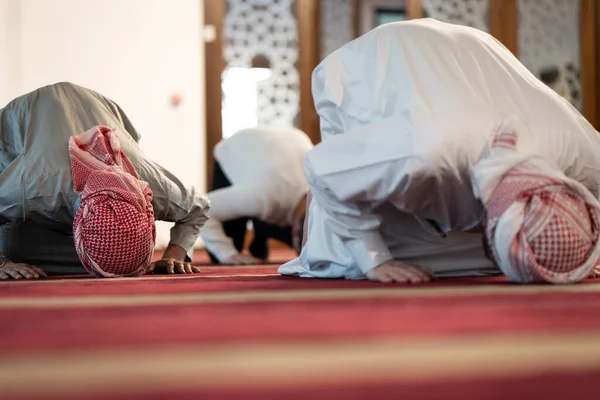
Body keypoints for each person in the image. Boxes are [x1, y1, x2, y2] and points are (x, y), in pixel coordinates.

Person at [279, 18, 600, 284]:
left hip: (475, 54)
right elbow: (323, 169)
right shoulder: (421, 151)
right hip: (373, 63)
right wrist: (373, 259)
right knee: (346, 259)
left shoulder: (582, 154)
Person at [0, 82, 209, 280]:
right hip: (17, 131)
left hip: (99, 107)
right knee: (14, 249)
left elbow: (198, 207)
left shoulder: (152, 184)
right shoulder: (33, 186)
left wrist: (173, 254)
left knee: (109, 264)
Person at [201, 126, 313, 264]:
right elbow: (203, 209)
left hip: (292, 138)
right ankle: (259, 227)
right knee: (223, 251)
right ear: (295, 231)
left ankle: (261, 230)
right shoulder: (262, 197)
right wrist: (227, 254)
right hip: (236, 146)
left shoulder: (325, 186)